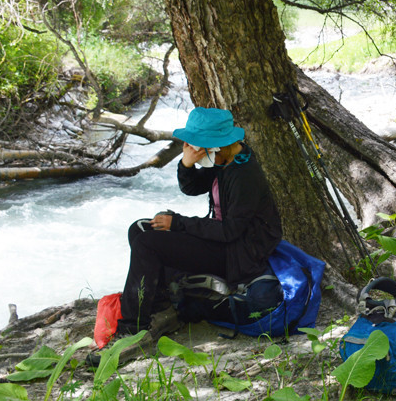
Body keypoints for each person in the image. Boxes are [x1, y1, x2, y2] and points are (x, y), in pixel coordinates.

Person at [116, 107, 283, 336]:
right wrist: (186, 164)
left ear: (216, 145)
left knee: (147, 244)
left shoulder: (244, 174)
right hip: (223, 241)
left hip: (237, 254)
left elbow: (230, 231)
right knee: (140, 230)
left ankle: (133, 329)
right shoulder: (224, 160)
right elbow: (192, 187)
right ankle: (161, 305)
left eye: (199, 146)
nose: (195, 150)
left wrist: (178, 223)